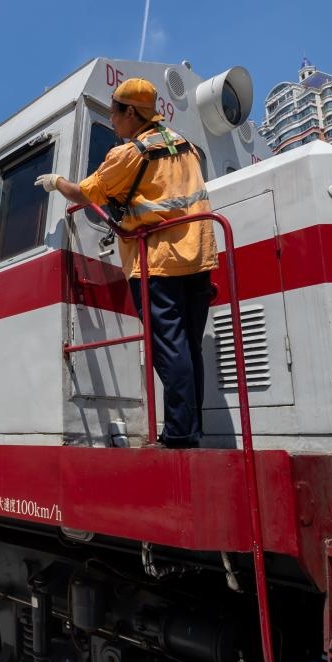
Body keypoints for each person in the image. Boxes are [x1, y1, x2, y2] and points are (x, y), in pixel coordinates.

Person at [34, 78, 216, 448]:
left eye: (115, 114)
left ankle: (179, 433)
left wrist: (56, 181)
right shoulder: (187, 147)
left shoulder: (130, 154)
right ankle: (191, 427)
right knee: (189, 347)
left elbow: (83, 193)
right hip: (199, 255)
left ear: (131, 112)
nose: (113, 121)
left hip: (160, 260)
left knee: (169, 346)